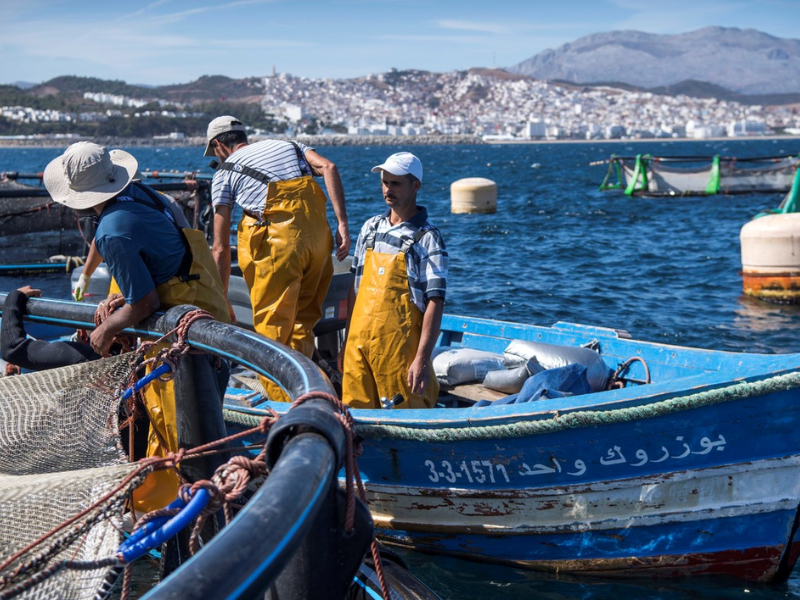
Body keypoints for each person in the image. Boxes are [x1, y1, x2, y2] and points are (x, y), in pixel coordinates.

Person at [43, 141, 231, 512]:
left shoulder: (112, 232)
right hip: (208, 311)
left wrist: (107, 329)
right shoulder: (147, 195)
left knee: (180, 432)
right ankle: (193, 499)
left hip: (181, 335)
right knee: (204, 418)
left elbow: (147, 303)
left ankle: (191, 513)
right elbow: (168, 259)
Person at [205, 116, 349, 400]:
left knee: (272, 334)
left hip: (280, 247)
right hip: (320, 241)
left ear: (218, 145)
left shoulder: (224, 173)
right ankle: (313, 394)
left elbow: (220, 247)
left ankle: (284, 405)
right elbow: (329, 167)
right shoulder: (291, 145)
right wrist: (342, 224)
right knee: (303, 325)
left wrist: (221, 299)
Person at [341, 152, 448, 409]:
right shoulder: (370, 228)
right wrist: (345, 343)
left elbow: (435, 301)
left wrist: (422, 358)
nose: (388, 189)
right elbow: (355, 288)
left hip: (399, 354)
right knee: (354, 417)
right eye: (385, 182)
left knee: (403, 414)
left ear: (416, 186)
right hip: (358, 348)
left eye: (396, 183)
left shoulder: (428, 238)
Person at [1, 286, 126, 370]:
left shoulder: (85, 358)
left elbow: (13, 349)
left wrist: (14, 297)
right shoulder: (137, 354)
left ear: (82, 334)